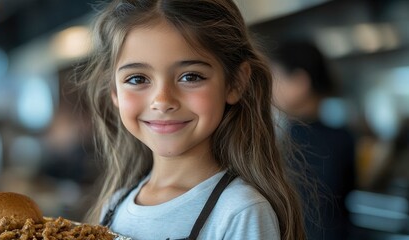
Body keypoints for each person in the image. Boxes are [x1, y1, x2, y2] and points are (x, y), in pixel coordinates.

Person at [76, 0, 306, 239]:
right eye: (137, 79)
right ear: (114, 91)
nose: (163, 101)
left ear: (235, 82)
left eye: (190, 76)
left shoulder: (240, 211)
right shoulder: (116, 204)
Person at [270, 40, 357, 240]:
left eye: (276, 78)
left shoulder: (297, 138)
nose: (271, 89)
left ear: (300, 82)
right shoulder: (343, 136)